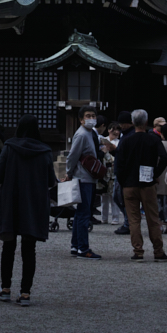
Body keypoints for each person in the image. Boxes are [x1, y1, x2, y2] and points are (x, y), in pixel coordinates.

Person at [0, 114, 55, 305]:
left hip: (10, 200)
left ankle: (5, 288)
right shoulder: (45, 151)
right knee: (29, 248)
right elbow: (51, 181)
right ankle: (25, 292)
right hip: (34, 203)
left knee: (8, 246)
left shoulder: (10, 147)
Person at [113, 109, 167, 261]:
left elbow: (119, 165)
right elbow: (164, 158)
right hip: (147, 183)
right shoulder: (152, 140)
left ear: (132, 122)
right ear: (146, 122)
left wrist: (123, 181)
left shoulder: (126, 140)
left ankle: (138, 251)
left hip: (129, 184)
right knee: (153, 218)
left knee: (133, 220)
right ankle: (158, 251)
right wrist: (155, 174)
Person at [65, 106, 102, 259]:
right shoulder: (81, 134)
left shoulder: (91, 133)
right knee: (84, 213)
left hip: (87, 176)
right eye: (88, 116)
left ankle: (76, 245)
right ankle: (83, 248)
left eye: (93, 115)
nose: (91, 118)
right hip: (83, 177)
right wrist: (68, 172)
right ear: (81, 119)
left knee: (81, 212)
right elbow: (72, 155)